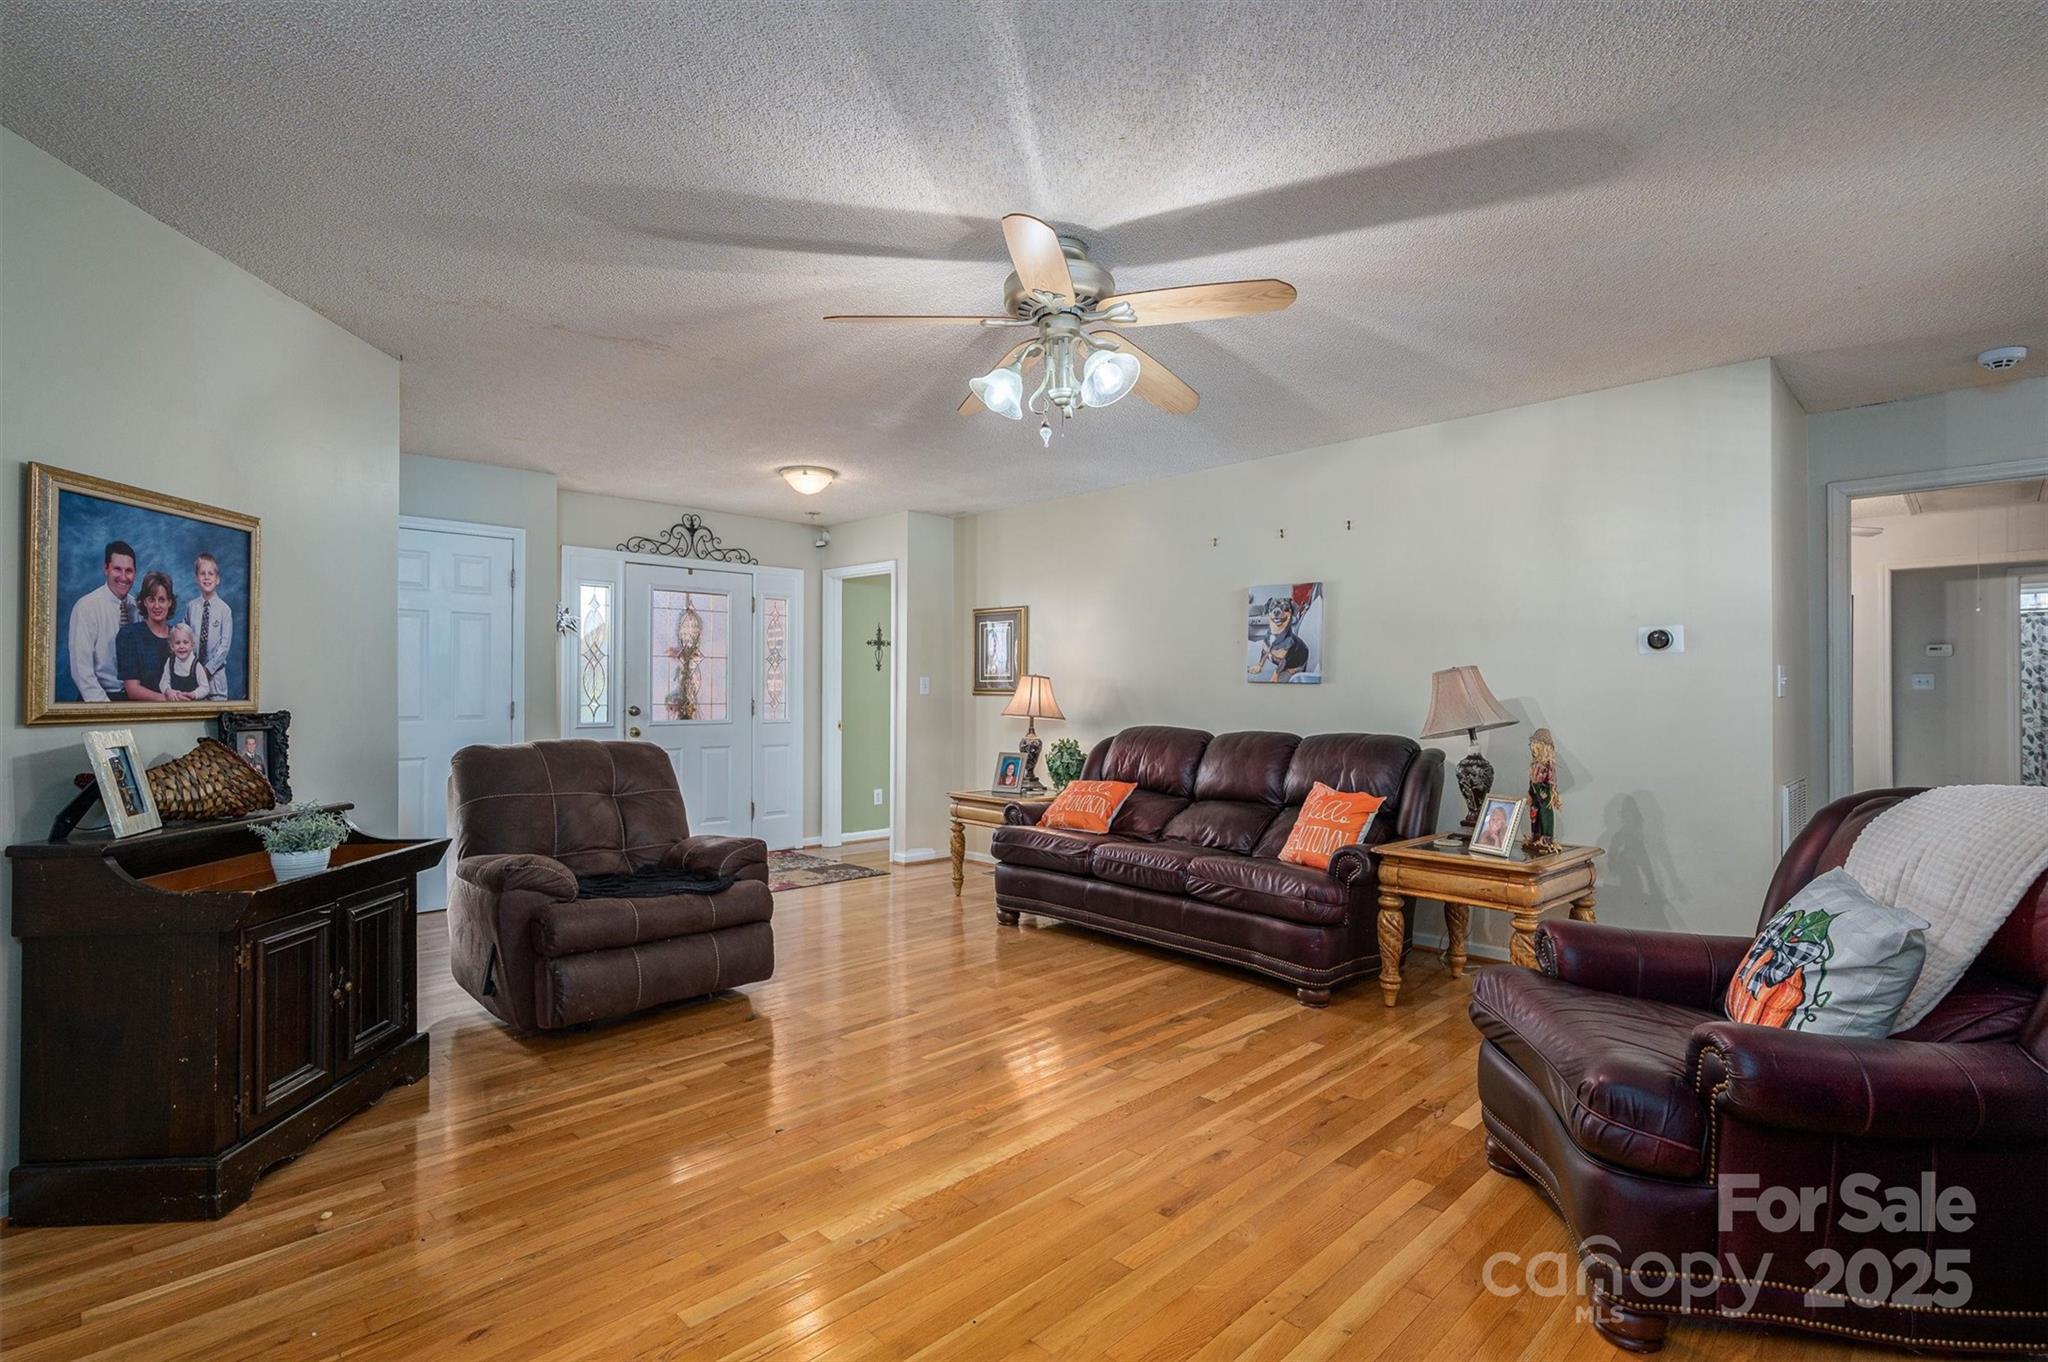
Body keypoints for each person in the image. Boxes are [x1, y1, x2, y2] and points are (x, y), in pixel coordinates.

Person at [65, 539, 138, 702]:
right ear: (106, 568)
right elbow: (81, 670)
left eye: (129, 571)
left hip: (133, 698)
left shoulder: (137, 608)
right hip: (98, 698)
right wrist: (105, 708)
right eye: (117, 569)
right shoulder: (86, 607)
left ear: (135, 573)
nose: (123, 577)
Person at [116, 570, 179, 702]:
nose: (156, 606)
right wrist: (169, 701)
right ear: (144, 602)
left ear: (170, 602)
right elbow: (132, 690)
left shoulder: (179, 636)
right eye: (151, 599)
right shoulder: (129, 635)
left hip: (178, 712)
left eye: (162, 600)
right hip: (143, 714)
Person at [185, 551, 234, 698]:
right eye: (202, 573)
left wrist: (206, 670)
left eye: (211, 574)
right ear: (196, 578)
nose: (206, 577)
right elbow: (184, 637)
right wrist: (192, 668)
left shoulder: (225, 610)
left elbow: (224, 647)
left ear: (217, 579)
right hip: (192, 677)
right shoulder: (191, 607)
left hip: (215, 679)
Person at [159, 622, 213, 700]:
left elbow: (205, 687)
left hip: (193, 706)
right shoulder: (170, 662)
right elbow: (163, 682)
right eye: (177, 643)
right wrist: (168, 691)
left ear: (192, 645)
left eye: (185, 642)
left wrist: (194, 694)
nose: (181, 646)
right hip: (175, 703)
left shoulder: (196, 665)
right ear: (172, 646)